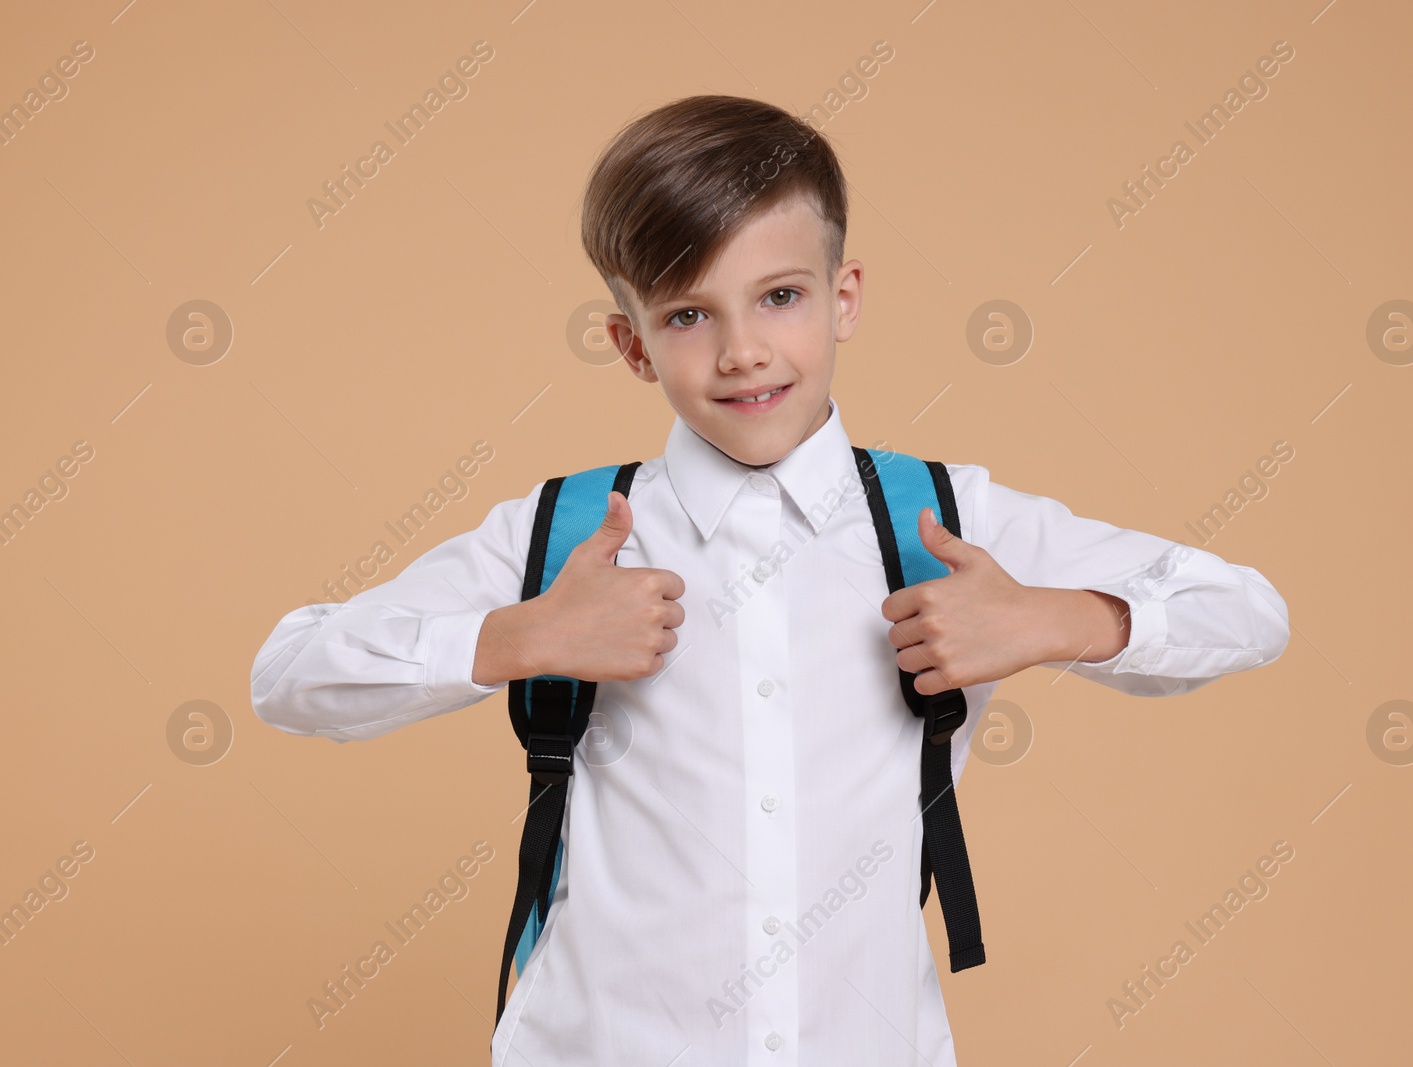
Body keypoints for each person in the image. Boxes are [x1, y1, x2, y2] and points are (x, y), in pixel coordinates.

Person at [250, 93, 1290, 1066]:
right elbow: (289, 672)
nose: (744, 351)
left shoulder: (948, 521)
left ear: (843, 298)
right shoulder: (565, 537)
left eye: (779, 296)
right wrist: (516, 638)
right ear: (632, 345)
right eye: (689, 315)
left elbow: (1247, 609)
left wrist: (1054, 619)